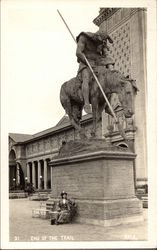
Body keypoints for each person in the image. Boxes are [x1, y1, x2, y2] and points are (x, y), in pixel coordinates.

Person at [76, 30, 113, 114]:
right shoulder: (84, 37)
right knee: (86, 78)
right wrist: (87, 62)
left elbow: (106, 56)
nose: (101, 43)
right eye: (100, 41)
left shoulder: (102, 42)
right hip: (86, 62)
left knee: (109, 81)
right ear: (97, 37)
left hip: (98, 63)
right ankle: (86, 103)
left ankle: (107, 105)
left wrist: (110, 68)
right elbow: (78, 52)